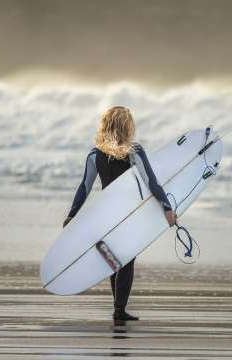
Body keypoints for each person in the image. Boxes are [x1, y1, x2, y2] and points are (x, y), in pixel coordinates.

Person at [63, 106, 177, 321]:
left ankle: (118, 308)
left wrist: (72, 214)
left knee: (114, 260)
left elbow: (84, 187)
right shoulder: (133, 151)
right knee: (126, 259)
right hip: (128, 215)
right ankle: (119, 310)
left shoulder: (95, 154)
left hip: (105, 216)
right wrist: (167, 208)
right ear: (127, 126)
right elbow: (151, 181)